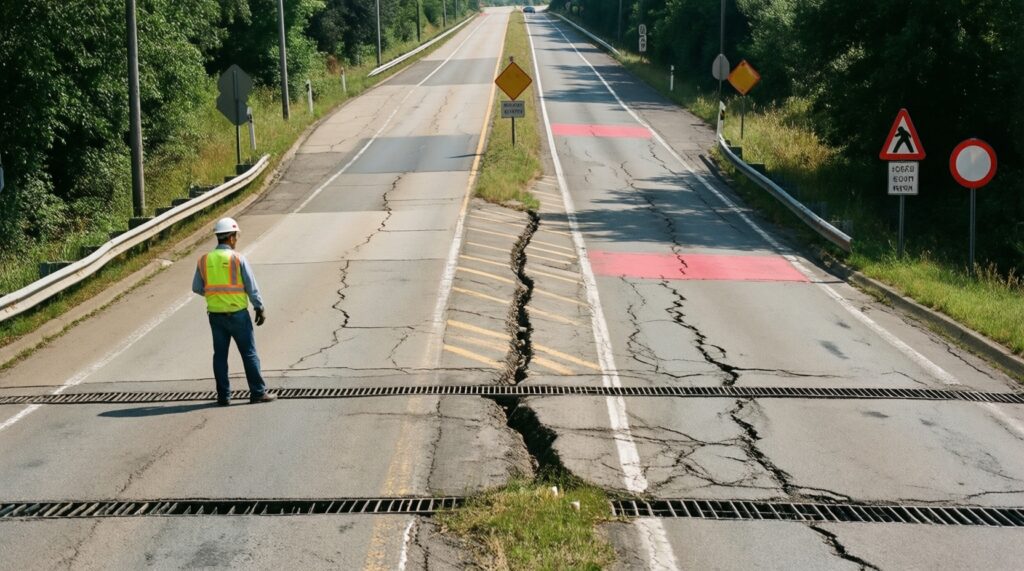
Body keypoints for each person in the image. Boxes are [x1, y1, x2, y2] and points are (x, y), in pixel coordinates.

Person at [192, 217, 276, 406]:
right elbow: (251, 287)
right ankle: (257, 392)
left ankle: (223, 396)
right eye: (236, 236)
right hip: (238, 315)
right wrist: (259, 307)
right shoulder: (238, 259)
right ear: (230, 238)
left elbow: (196, 287)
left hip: (215, 316)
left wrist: (215, 295)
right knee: (249, 354)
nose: (236, 240)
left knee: (220, 356)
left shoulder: (204, 260)